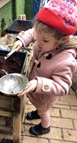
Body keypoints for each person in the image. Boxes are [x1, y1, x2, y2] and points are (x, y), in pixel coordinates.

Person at [13, 0, 77, 136]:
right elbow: (32, 33)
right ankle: (37, 112)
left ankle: (44, 126)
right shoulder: (42, 35)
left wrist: (39, 83)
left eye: (45, 41)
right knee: (38, 107)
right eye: (38, 37)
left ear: (63, 40)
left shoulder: (66, 60)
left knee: (43, 110)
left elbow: (63, 86)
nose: (38, 42)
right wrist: (22, 40)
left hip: (45, 96)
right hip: (36, 91)